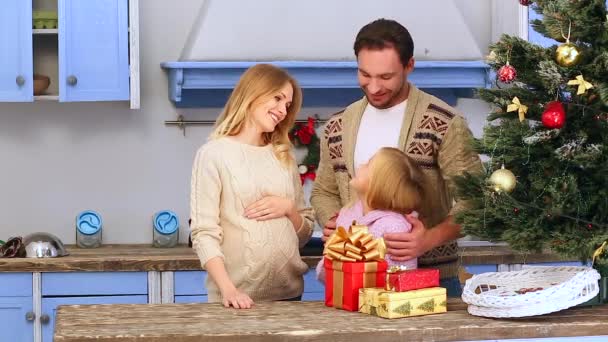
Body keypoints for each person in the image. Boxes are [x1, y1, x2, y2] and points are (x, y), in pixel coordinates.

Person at [310, 19, 483, 296]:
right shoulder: (338, 125)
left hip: (431, 281)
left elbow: (475, 199)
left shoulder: (445, 122)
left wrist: (428, 239)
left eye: (386, 77)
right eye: (365, 75)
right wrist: (336, 223)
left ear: (409, 65)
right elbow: (323, 191)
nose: (374, 87)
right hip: (352, 284)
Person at [190, 64, 314, 309]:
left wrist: (289, 209)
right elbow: (203, 233)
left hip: (291, 296)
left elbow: (305, 233)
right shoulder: (213, 154)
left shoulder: (283, 156)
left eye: (287, 105)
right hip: (236, 300)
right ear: (253, 92)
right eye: (277, 98)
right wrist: (229, 291)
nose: (282, 110)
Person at [316, 147, 424, 282]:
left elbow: (400, 277)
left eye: (368, 165)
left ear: (379, 183)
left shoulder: (394, 227)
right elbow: (329, 268)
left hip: (378, 301)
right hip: (344, 299)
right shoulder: (347, 214)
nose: (361, 165)